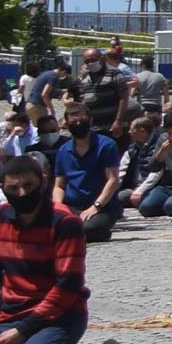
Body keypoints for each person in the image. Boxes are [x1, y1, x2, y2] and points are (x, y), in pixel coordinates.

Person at [0, 153, 125, 344]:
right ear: (2, 186)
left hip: (58, 317)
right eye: (14, 188)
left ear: (43, 182)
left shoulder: (64, 221)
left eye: (28, 186)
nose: (22, 194)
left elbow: (68, 285)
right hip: (9, 314)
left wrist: (22, 332)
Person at [47, 100, 127, 241]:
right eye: (73, 121)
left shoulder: (107, 145)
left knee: (84, 229)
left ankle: (100, 232)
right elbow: (59, 185)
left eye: (82, 120)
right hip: (71, 206)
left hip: (101, 207)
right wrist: (58, 208)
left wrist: (95, 206)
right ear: (66, 123)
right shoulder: (63, 151)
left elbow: (113, 180)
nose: (78, 124)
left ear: (90, 121)